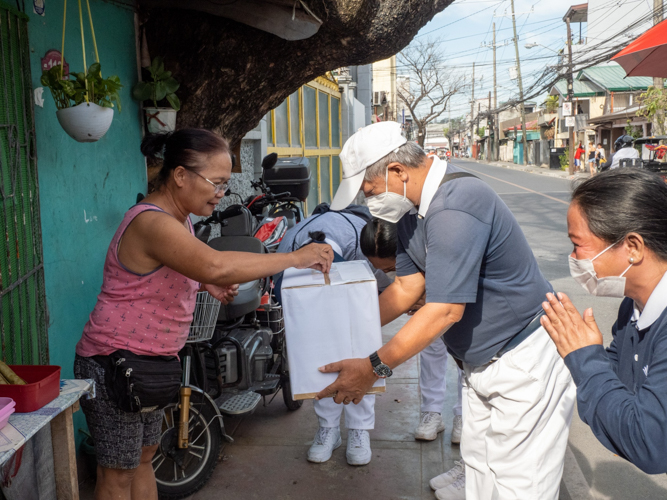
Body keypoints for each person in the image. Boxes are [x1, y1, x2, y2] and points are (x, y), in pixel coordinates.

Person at [318, 121, 575, 500]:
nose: (368, 201)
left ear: (398, 171)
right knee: (481, 472)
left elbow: (443, 310)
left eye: (369, 190)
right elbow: (406, 288)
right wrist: (346, 327)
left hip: (522, 361)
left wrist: (373, 366)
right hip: (482, 364)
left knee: (521, 486)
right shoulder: (408, 215)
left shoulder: (457, 201)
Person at [74, 129, 333, 500]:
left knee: (145, 457)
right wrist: (295, 258)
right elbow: (214, 265)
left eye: (225, 184)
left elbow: (177, 270)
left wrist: (202, 284)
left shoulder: (180, 220)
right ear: (180, 176)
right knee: (117, 474)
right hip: (114, 362)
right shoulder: (152, 222)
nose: (221, 193)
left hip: (151, 363)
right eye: (217, 182)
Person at [541, 168, 667, 475]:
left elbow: (649, 444)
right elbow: (621, 382)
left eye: (578, 244)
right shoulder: (633, 306)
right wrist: (579, 353)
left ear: (633, 248)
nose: (573, 257)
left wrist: (584, 358)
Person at [274, 203, 390, 466]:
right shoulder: (290, 244)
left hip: (356, 295)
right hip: (307, 295)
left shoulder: (363, 239)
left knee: (362, 354)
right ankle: (328, 429)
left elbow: (384, 280)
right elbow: (283, 288)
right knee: (320, 356)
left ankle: (359, 430)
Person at [360, 218, 466, 499]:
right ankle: (433, 412)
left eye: (393, 268)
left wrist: (373, 367)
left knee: (467, 365)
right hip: (440, 303)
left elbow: (449, 303)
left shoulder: (440, 236)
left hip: (474, 317)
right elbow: (403, 291)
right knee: (431, 348)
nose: (390, 277)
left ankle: (462, 417)